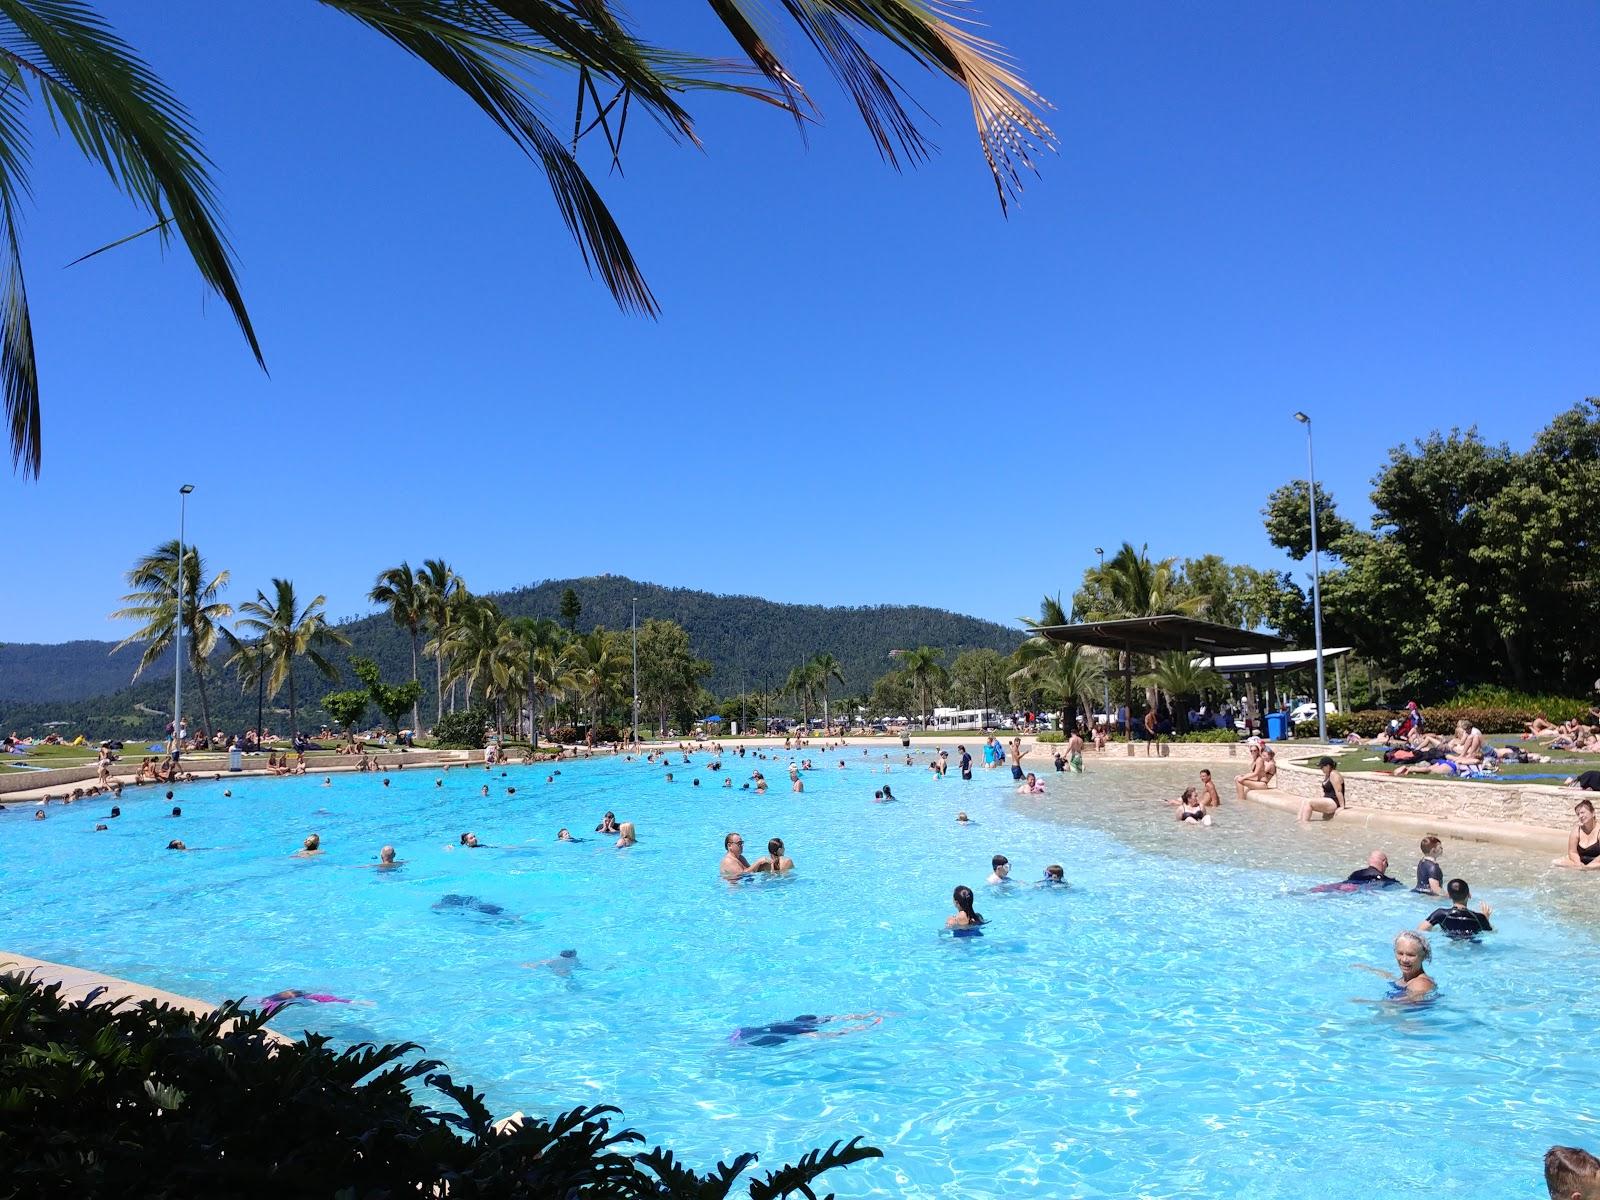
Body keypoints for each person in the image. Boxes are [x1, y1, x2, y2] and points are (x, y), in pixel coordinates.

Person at [1353, 931, 1435, 1000]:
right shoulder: (1408, 979)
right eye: (1400, 953)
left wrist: (1364, 1002)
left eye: (1411, 955)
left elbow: (1400, 1005)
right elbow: (1392, 978)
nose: (1404, 959)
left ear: (1423, 956)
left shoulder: (1421, 984)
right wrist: (1369, 969)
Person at [1418, 879, 1493, 939]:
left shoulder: (1440, 914)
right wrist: (1486, 918)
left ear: (1449, 896)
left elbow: (1420, 931)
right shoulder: (1479, 917)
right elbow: (1492, 933)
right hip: (1472, 947)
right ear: (1469, 895)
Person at [1553, 799, 1600, 870]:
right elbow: (1572, 852)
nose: (1580, 816)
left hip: (1596, 863)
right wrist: (1579, 865)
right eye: (1578, 814)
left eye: (1583, 813)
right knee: (1556, 862)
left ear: (1593, 813)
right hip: (1580, 861)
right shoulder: (1576, 831)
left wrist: (1589, 866)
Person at [1298, 757, 1345, 822]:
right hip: (1329, 800)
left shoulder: (1333, 774)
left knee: (1309, 802)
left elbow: (1338, 791)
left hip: (1334, 802)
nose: (1321, 769)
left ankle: (1305, 824)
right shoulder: (1327, 775)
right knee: (1304, 801)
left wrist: (1342, 806)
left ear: (1328, 766)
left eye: (1322, 767)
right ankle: (1299, 821)